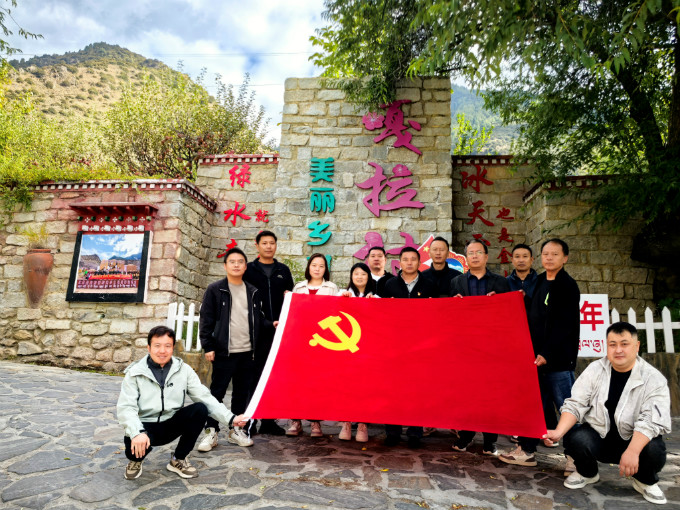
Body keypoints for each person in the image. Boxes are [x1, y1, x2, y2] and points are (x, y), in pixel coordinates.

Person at [544, 322, 670, 505]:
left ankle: (644, 480)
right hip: (600, 437)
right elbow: (576, 404)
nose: (618, 350)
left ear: (637, 346)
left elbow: (652, 421)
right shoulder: (595, 370)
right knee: (575, 437)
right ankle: (588, 473)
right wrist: (558, 432)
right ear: (607, 346)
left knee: (654, 449)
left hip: (634, 441)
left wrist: (633, 451)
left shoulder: (654, 378)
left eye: (624, 344)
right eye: (613, 344)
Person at [117, 325, 248, 480]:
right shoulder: (135, 373)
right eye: (157, 346)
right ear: (149, 348)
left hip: (171, 423)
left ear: (173, 348)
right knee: (134, 450)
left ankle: (178, 459)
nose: (162, 351)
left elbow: (204, 397)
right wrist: (137, 432)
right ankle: (135, 461)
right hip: (145, 427)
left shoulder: (184, 370)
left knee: (200, 409)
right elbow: (126, 407)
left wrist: (231, 419)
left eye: (167, 346)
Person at [500, 238, 580, 468]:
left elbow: (564, 325)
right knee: (532, 406)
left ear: (565, 258)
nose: (549, 258)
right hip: (535, 359)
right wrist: (515, 300)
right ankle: (526, 450)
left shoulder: (567, 285)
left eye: (555, 254)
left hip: (557, 361)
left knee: (568, 410)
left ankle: (576, 458)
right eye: (546, 254)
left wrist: (546, 352)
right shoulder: (541, 281)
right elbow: (534, 313)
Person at [196, 247, 270, 452]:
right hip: (223, 352)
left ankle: (236, 430)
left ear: (246, 267)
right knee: (217, 393)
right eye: (232, 262)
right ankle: (211, 431)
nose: (236, 265)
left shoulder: (253, 291)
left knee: (241, 394)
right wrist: (208, 346)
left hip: (247, 352)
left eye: (240, 262)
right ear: (225, 266)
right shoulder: (215, 289)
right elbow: (206, 319)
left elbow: (258, 319)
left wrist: (271, 324)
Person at [449, 239, 511, 456]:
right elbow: (448, 315)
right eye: (470, 253)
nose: (474, 256)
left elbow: (509, 314)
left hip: (492, 347)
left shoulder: (500, 283)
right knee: (467, 393)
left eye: (478, 252)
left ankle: (490, 441)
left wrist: (498, 302)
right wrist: (454, 303)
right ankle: (465, 435)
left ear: (486, 256)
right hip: (466, 346)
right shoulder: (457, 282)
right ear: (466, 258)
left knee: (491, 393)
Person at [382, 246, 436, 448]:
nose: (410, 262)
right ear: (400, 263)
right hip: (394, 345)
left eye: (413, 259)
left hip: (421, 345)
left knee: (417, 390)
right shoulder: (389, 285)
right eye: (406, 259)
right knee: (393, 389)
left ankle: (415, 433)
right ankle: (392, 432)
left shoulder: (429, 285)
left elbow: (438, 314)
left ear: (419, 262)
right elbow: (380, 313)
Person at [243, 230, 294, 436]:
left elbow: (291, 298)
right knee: (253, 376)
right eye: (264, 243)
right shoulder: (249, 270)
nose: (268, 246)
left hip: (279, 331)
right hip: (256, 331)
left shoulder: (283, 270)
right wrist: (263, 322)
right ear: (257, 245)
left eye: (272, 243)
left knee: (273, 375)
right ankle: (250, 420)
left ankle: (269, 421)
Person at [287, 253, 339, 437]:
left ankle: (315, 422)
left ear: (326, 269)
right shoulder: (299, 287)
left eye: (321, 266)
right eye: (314, 265)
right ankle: (296, 420)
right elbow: (292, 313)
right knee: (297, 381)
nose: (317, 269)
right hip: (300, 341)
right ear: (308, 267)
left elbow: (337, 313)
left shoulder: (331, 288)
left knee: (317, 383)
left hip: (322, 342)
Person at [337, 262, 377, 442]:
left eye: (363, 274)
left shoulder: (375, 297)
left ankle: (362, 424)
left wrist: (374, 304)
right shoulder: (342, 294)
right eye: (356, 274)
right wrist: (342, 300)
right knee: (346, 387)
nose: (359, 277)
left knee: (366, 387)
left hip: (368, 351)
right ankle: (346, 422)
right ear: (351, 277)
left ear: (368, 277)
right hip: (346, 351)